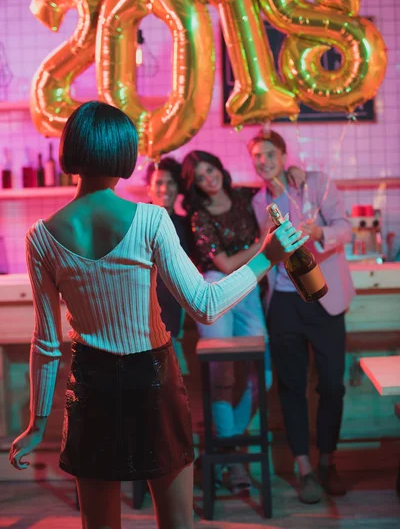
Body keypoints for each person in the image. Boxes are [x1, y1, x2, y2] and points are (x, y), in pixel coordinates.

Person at [8, 101, 308, 529]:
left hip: (90, 384)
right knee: (177, 523)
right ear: (123, 156)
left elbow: (46, 342)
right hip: (152, 378)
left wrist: (38, 424)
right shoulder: (150, 220)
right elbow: (205, 305)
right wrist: (266, 258)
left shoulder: (40, 236)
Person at [180, 150, 305, 494]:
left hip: (250, 289)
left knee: (261, 377)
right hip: (215, 289)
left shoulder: (245, 196)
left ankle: (225, 445)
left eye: (211, 169)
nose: (209, 178)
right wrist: (264, 248)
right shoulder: (198, 216)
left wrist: (292, 169)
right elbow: (224, 263)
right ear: (194, 185)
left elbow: (274, 187)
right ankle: (234, 462)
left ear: (220, 167)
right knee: (222, 377)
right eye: (200, 177)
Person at [248, 129, 355, 505]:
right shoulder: (259, 202)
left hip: (323, 298)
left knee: (332, 385)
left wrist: (320, 230)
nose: (263, 161)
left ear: (282, 153)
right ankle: (304, 469)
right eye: (257, 156)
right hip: (284, 304)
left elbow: (345, 228)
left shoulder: (314, 185)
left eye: (269, 154)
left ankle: (328, 461)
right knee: (291, 388)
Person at [146, 157, 191, 373]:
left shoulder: (186, 226)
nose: (165, 188)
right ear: (149, 189)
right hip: (141, 317)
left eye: (171, 182)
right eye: (159, 182)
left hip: (175, 315)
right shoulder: (137, 221)